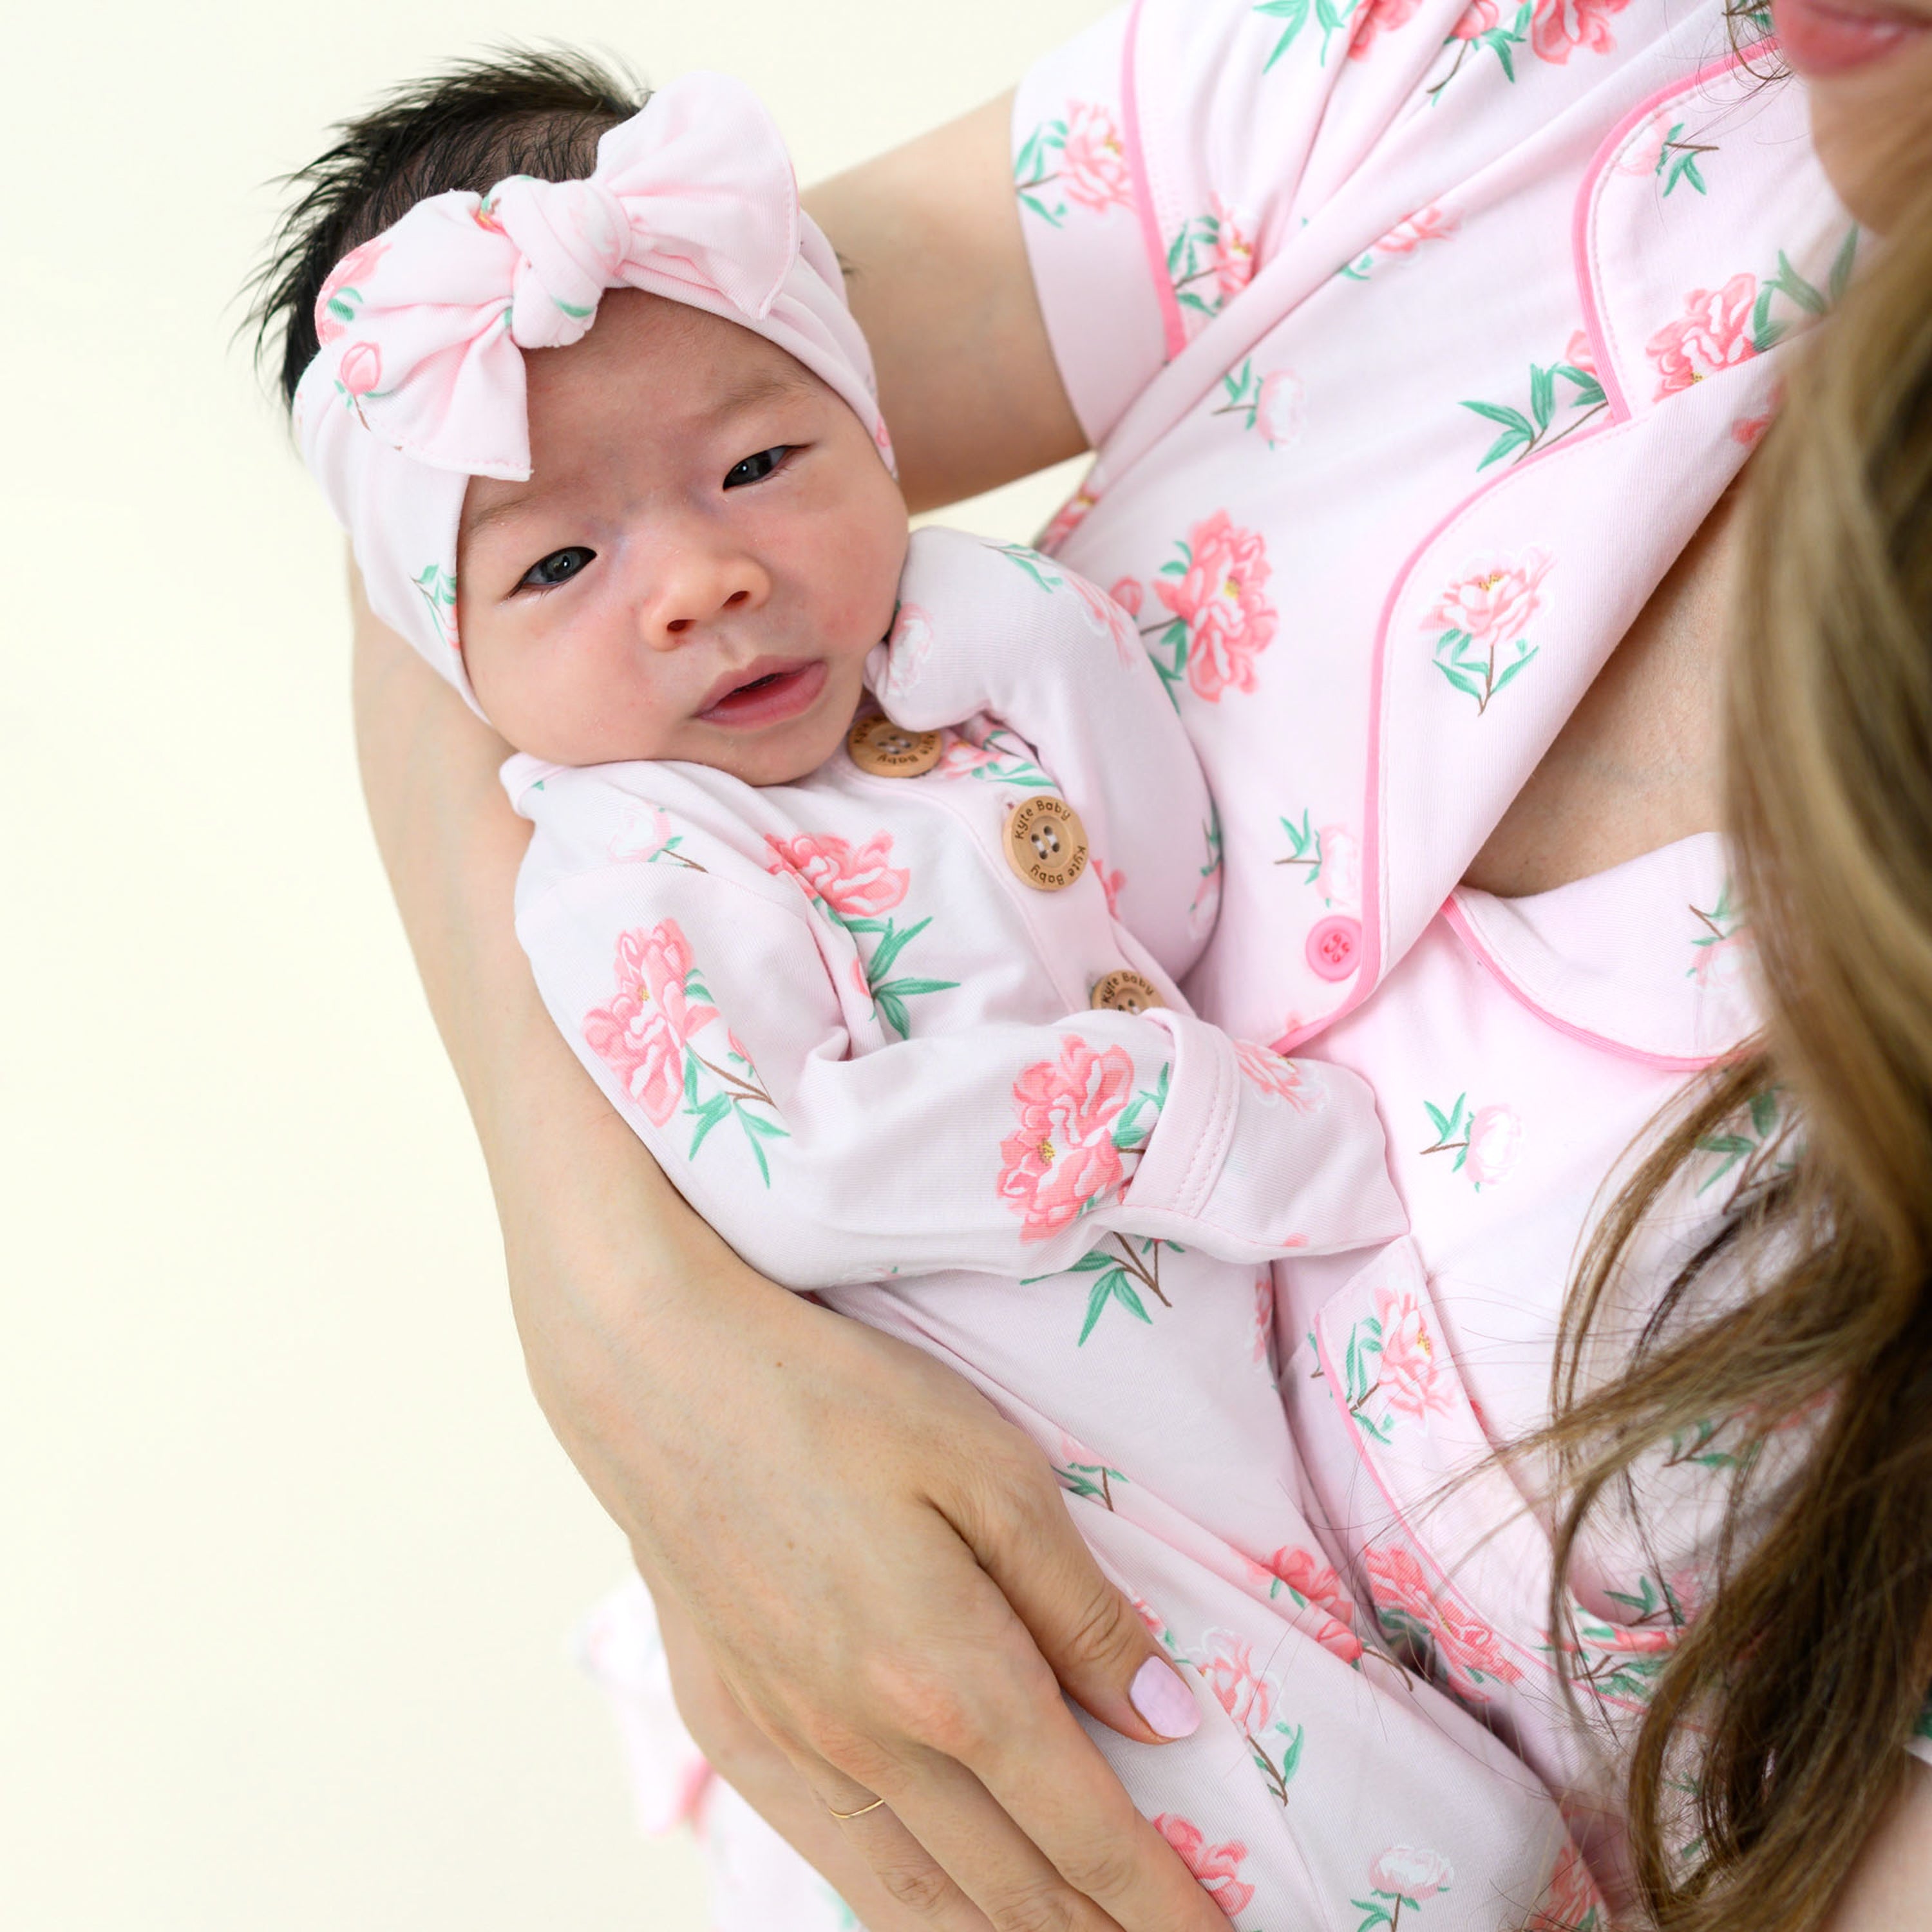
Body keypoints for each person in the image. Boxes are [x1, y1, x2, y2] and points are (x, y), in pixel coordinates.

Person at [317, 1, 1932, 1927]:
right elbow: (459, 451)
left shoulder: (967, 651)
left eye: (756, 481)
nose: (698, 582)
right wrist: (638, 1344)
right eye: (579, 571)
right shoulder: (1526, 59)